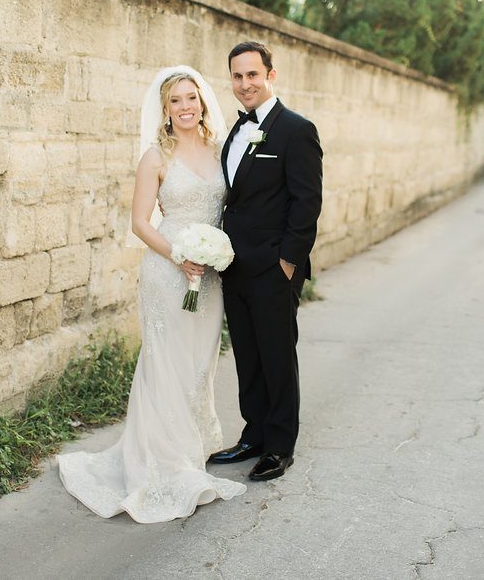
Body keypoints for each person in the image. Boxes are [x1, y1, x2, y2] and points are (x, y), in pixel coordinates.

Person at [58, 66, 246, 522]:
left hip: (211, 270)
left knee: (200, 361)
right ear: (165, 110)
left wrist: (213, 255)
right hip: (168, 269)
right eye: (176, 101)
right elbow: (140, 222)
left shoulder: (220, 151)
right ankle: (162, 459)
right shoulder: (155, 157)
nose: (186, 107)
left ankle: (191, 446)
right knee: (165, 360)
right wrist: (179, 256)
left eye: (191, 98)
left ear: (202, 103)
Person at [209, 41, 323, 481]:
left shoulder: (297, 129)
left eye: (253, 75)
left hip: (274, 269)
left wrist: (288, 265)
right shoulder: (236, 132)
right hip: (234, 266)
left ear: (270, 76)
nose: (245, 84)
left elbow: (306, 203)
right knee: (248, 356)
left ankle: (279, 446)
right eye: (237, 76)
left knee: (277, 356)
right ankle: (253, 433)